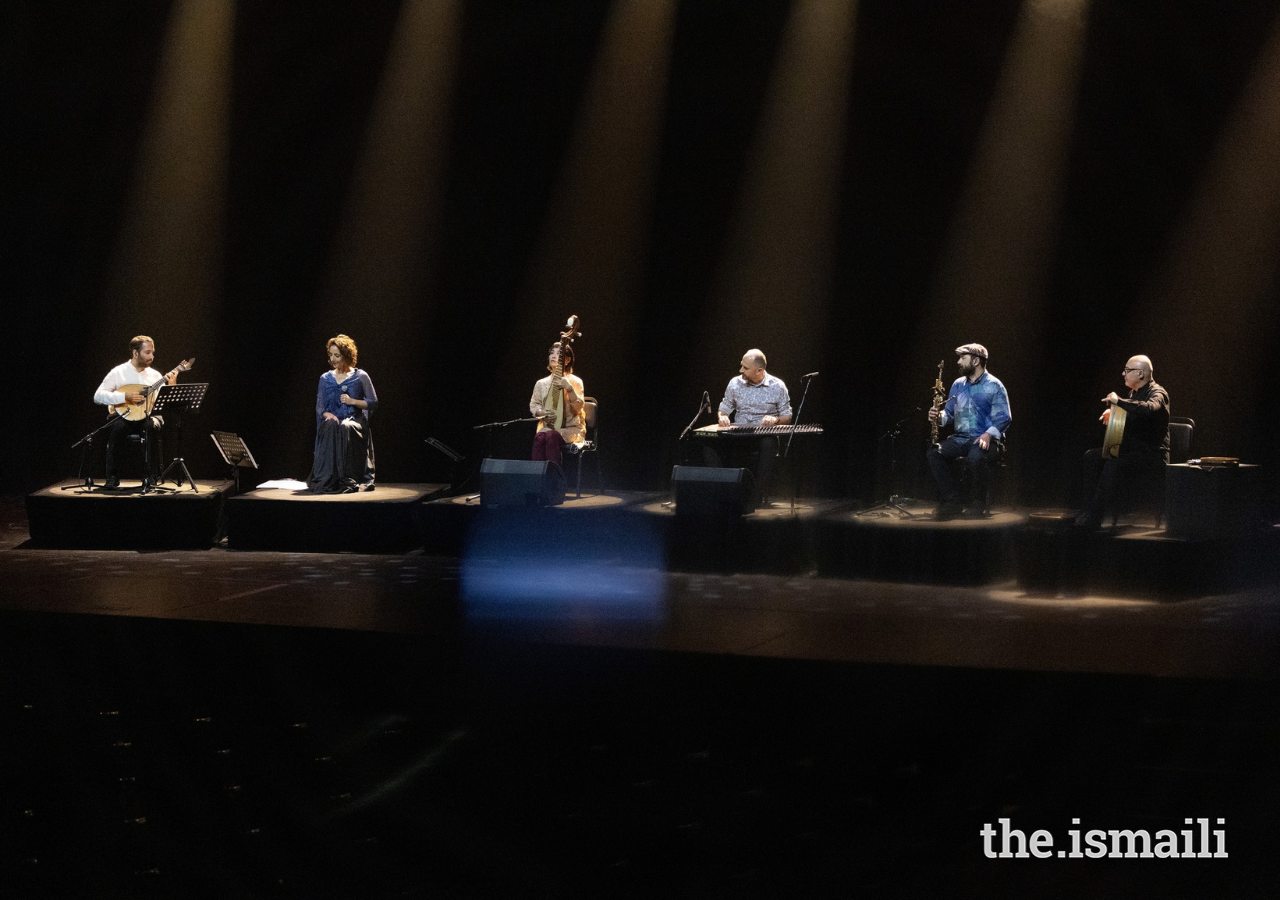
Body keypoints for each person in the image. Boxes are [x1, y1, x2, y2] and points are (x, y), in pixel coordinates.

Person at [1075, 354, 1170, 529]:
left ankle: (1094, 517)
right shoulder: (1133, 393)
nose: (1123, 373)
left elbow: (1148, 409)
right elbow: (1134, 414)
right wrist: (1115, 413)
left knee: (1114, 464)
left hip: (1151, 455)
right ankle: (1086, 511)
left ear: (1140, 373)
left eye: (1127, 370)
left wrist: (1118, 402)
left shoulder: (1158, 393)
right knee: (1092, 456)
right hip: (1131, 451)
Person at [927, 343, 1012, 520]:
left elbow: (1004, 417)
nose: (958, 362)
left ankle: (977, 502)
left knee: (976, 457)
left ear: (975, 361)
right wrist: (938, 416)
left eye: (962, 358)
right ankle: (952, 501)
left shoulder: (994, 385)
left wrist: (989, 433)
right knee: (935, 453)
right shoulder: (958, 385)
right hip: (960, 438)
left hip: (985, 439)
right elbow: (949, 414)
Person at [706, 349, 792, 504]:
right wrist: (722, 416)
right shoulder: (735, 383)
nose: (740, 370)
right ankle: (722, 490)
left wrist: (775, 420)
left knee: (769, 442)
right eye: (741, 366)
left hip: (762, 435)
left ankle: (755, 496)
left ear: (759, 370)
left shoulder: (778, 386)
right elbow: (724, 408)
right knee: (709, 444)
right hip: (739, 434)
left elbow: (787, 417)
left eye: (745, 368)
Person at [93, 335, 180, 489]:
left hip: (146, 417)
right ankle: (112, 478)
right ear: (135, 353)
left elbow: (167, 405)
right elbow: (98, 396)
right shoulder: (118, 372)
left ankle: (150, 478)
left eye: (152, 353)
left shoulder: (155, 375)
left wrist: (171, 386)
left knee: (150, 428)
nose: (151, 356)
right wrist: (124, 396)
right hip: (124, 416)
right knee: (115, 429)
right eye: (147, 353)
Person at [308, 334, 377, 493]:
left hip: (354, 419)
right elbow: (320, 407)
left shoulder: (360, 376)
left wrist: (353, 401)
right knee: (331, 424)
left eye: (337, 355)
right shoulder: (325, 378)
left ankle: (349, 477)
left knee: (346, 426)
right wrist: (327, 415)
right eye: (330, 355)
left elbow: (372, 403)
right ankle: (329, 477)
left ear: (346, 355)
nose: (333, 359)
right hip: (334, 420)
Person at [529, 342, 585, 474]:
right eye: (552, 353)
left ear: (567, 360)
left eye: (559, 354)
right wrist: (540, 412)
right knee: (540, 438)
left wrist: (569, 388)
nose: (554, 356)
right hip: (548, 427)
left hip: (571, 429)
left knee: (551, 436)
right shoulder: (541, 383)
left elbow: (578, 407)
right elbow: (534, 404)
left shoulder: (575, 381)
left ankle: (554, 481)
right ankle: (537, 480)